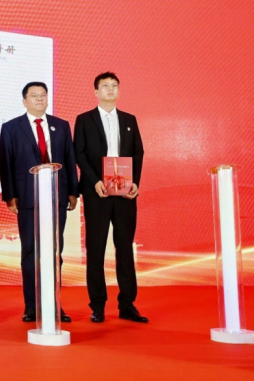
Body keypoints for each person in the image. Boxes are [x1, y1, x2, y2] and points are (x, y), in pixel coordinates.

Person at [0, 82, 78, 323]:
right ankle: (32, 306)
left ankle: (54, 304)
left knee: (55, 251)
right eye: (34, 96)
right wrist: (9, 195)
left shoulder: (61, 126)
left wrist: (73, 192)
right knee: (30, 251)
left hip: (57, 195)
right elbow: (6, 163)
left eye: (43, 95)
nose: (39, 99)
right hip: (27, 196)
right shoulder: (11, 128)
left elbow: (69, 159)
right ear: (24, 101)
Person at [74, 72, 147, 323]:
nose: (110, 89)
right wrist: (95, 181)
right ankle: (97, 305)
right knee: (95, 249)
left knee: (125, 247)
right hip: (98, 192)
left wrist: (135, 182)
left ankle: (127, 304)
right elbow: (79, 153)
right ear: (96, 91)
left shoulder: (129, 119)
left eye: (114, 85)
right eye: (105, 86)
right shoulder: (84, 120)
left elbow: (138, 153)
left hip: (125, 193)